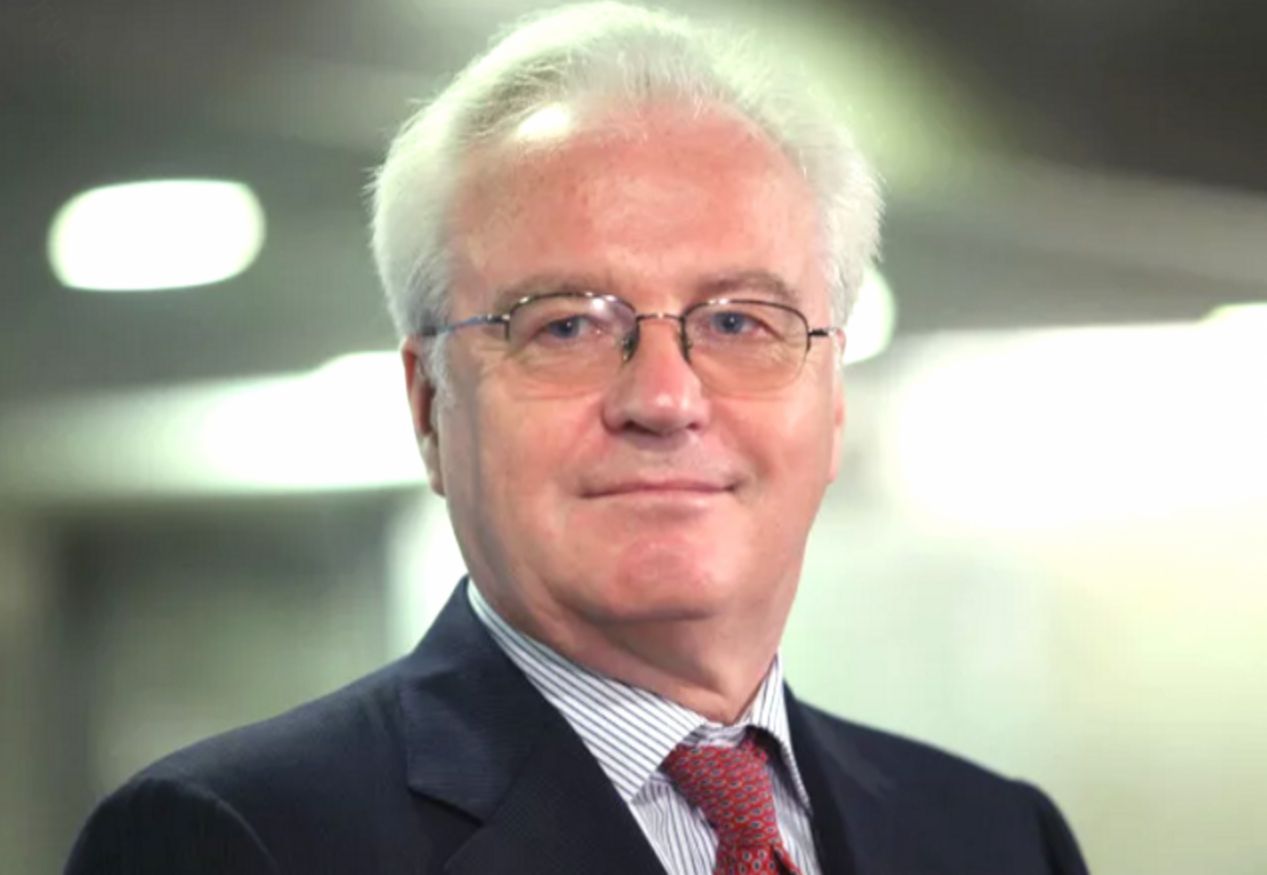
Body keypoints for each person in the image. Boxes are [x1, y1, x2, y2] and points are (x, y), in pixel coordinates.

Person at [65, 3, 1090, 873]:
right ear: (428, 405)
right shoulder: (233, 839)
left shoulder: (998, 836)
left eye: (740, 321)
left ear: (831, 400)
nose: (665, 397)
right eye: (565, 326)